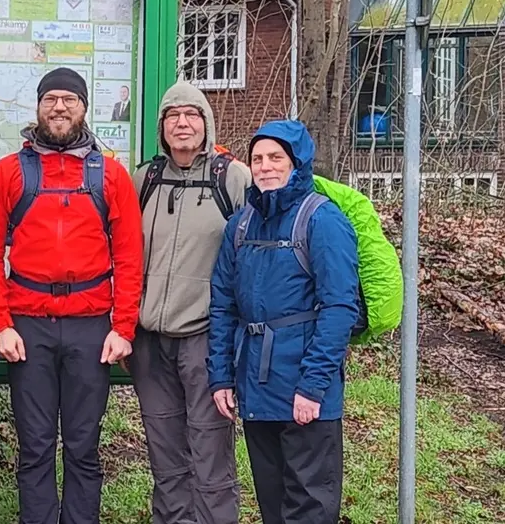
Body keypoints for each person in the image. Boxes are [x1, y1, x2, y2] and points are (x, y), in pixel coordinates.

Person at [0, 67, 145, 524]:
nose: (59, 107)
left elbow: (130, 255)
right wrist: (2, 324)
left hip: (91, 326)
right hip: (28, 326)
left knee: (83, 445)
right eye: (50, 98)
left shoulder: (108, 175)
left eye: (69, 99)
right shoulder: (8, 173)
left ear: (84, 108)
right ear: (37, 106)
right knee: (34, 446)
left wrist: (123, 326)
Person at [208, 120, 359, 524]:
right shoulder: (240, 225)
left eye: (276, 157)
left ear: (297, 163)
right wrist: (221, 378)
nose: (265, 166)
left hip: (305, 391)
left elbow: (340, 308)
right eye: (258, 158)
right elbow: (223, 306)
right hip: (256, 389)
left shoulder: (323, 221)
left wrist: (312, 387)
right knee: (272, 506)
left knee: (309, 508)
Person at [130, 81, 251, 524]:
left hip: (206, 339)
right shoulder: (145, 178)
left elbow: (251, 256)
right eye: (173, 115)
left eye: (192, 115)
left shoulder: (233, 178)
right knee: (165, 455)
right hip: (150, 342)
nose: (182, 123)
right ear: (162, 126)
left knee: (210, 454)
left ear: (206, 123)